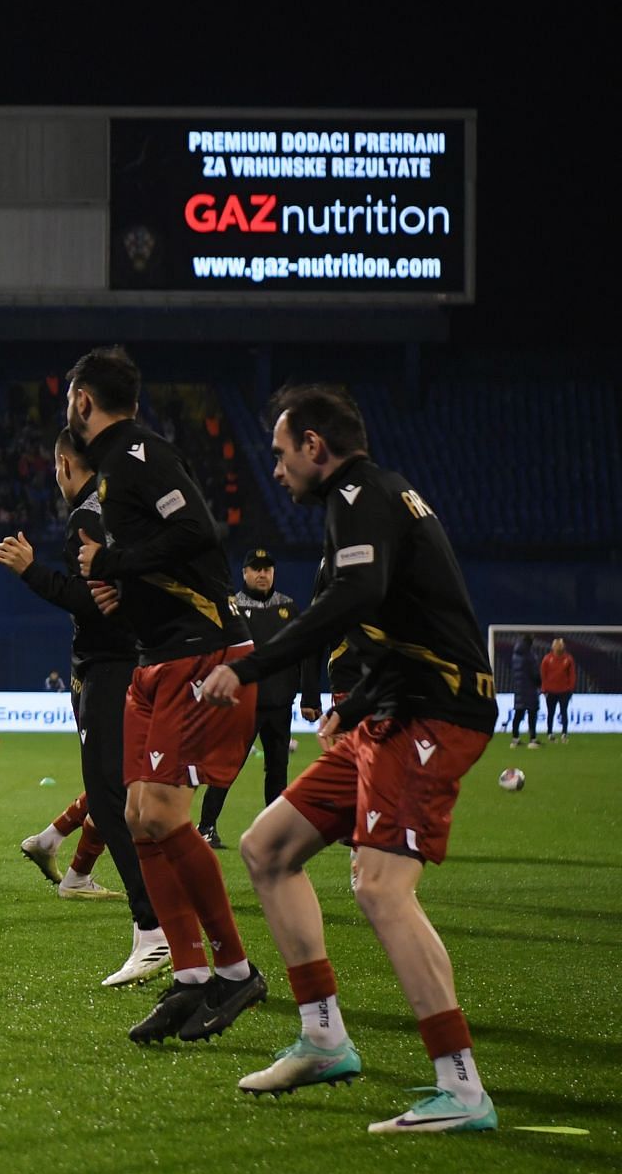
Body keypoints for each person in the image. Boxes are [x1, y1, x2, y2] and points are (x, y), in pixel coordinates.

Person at [198, 384, 500, 1133]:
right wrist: (355, 705)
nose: (274, 469)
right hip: (392, 714)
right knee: (268, 848)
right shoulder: (370, 500)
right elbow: (400, 612)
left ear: (315, 447)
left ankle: (461, 1087)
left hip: (435, 714)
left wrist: (252, 665)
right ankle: (325, 1037)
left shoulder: (361, 495)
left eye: (279, 452)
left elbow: (360, 595)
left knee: (381, 887)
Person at [67, 344, 265, 1043]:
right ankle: (189, 978)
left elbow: (196, 532)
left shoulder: (140, 455)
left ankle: (235, 971)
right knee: (138, 814)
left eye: (72, 399)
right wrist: (122, 591)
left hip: (199, 650)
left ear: (84, 401)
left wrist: (112, 560)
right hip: (157, 656)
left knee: (160, 814)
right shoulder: (118, 468)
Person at [0, 427, 165, 982]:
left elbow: (89, 604)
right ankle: (155, 920)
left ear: (66, 462)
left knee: (112, 794)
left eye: (54, 468)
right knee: (119, 788)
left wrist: (29, 572)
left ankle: (154, 930)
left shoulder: (85, 518)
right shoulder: (119, 506)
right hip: (130, 661)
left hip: (109, 668)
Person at [196, 550, 313, 849]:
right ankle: (206, 827)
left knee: (278, 770)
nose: (263, 574)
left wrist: (307, 695)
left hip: (280, 703)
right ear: (245, 573)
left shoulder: (288, 607)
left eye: (268, 569)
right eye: (256, 569)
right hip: (243, 703)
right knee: (228, 766)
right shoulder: (233, 608)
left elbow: (305, 652)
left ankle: (274, 833)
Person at [506, 633, 539, 747]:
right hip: (530, 689)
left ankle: (515, 739)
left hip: (519, 688)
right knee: (532, 714)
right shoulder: (530, 655)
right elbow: (534, 673)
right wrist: (539, 683)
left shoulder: (515, 655)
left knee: (518, 714)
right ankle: (532, 739)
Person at [540, 637, 576, 742]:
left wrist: (571, 688)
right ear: (553, 647)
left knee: (564, 712)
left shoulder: (568, 659)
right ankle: (550, 733)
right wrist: (544, 689)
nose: (559, 647)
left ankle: (564, 733)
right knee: (551, 712)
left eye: (560, 645)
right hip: (550, 691)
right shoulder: (547, 659)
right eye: (557, 645)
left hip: (564, 691)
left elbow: (572, 675)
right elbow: (543, 675)